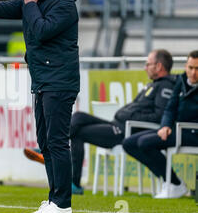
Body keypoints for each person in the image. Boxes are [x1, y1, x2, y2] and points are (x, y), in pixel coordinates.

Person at [0, 0, 79, 213]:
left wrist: (30, 4)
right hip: (42, 80)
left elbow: (42, 31)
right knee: (45, 142)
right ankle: (55, 200)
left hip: (60, 81)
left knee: (57, 142)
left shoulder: (64, 4)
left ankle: (62, 204)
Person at [24, 49, 177, 195]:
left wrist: (131, 117)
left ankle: (60, 164)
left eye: (148, 64)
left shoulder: (165, 86)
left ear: (159, 66)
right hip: (116, 124)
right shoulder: (152, 85)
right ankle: (52, 152)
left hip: (125, 131)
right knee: (79, 117)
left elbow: (159, 116)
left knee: (78, 133)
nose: (145, 68)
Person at [122, 50, 198, 199]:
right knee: (129, 143)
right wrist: (165, 126)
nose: (193, 73)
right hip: (176, 130)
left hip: (193, 133)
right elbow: (170, 108)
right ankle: (173, 182)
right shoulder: (181, 81)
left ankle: (173, 183)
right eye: (191, 68)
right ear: (185, 66)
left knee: (145, 142)